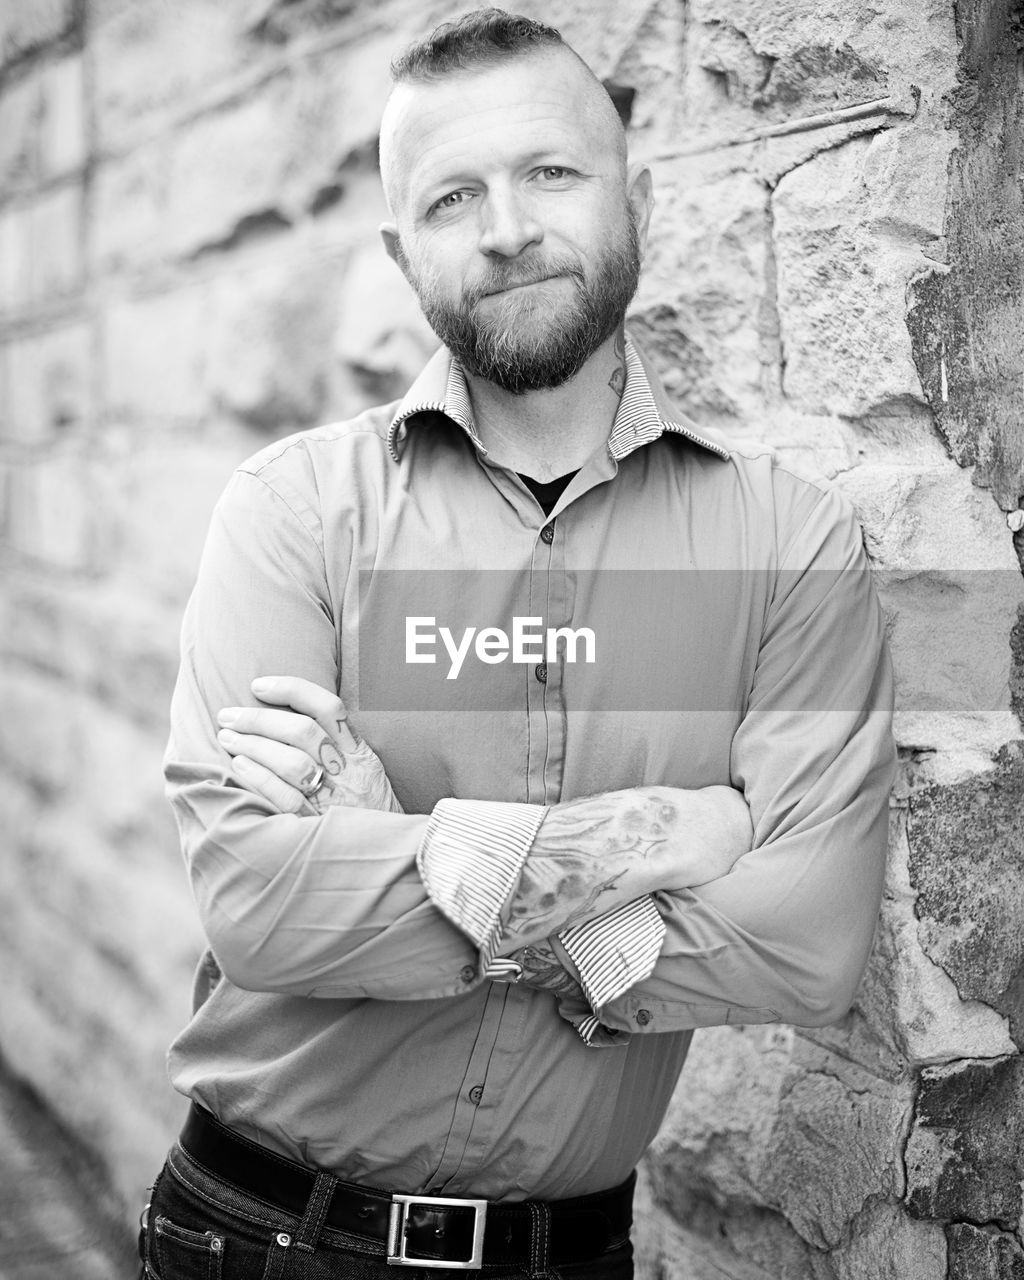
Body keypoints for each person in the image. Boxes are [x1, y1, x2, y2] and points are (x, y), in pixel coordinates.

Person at [141, 9, 895, 1278]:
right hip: (258, 1237)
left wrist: (413, 840)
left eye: (550, 171)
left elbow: (806, 943)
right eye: (451, 196)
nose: (505, 227)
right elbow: (262, 905)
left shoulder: (789, 544)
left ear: (634, 195)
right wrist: (678, 829)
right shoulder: (293, 511)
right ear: (400, 249)